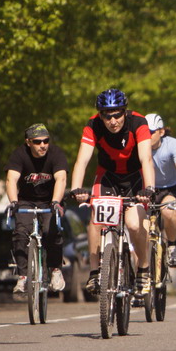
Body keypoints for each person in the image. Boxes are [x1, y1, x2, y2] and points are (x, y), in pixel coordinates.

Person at [69, 88, 156, 298]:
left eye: (117, 115)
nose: (113, 121)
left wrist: (149, 189)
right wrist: (76, 188)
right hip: (107, 177)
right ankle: (94, 273)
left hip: (135, 180)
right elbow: (82, 160)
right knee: (96, 219)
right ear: (100, 115)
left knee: (134, 224)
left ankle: (143, 269)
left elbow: (146, 159)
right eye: (107, 116)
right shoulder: (92, 125)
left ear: (124, 112)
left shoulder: (138, 122)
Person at [5, 123, 68, 294]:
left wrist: (56, 202)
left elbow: (61, 179)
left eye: (46, 141)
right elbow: (11, 179)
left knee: (50, 230)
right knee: (20, 232)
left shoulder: (56, 154)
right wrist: (13, 202)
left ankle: (55, 270)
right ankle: (22, 277)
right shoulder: (19, 154)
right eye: (38, 142)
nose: (43, 145)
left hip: (50, 200)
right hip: (26, 201)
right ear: (28, 142)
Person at [145, 113, 176, 267]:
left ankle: (172, 246)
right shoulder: (140, 146)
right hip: (146, 190)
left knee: (168, 211)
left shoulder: (173, 145)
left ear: (161, 132)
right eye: (144, 132)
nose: (147, 136)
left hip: (168, 189)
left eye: (151, 132)